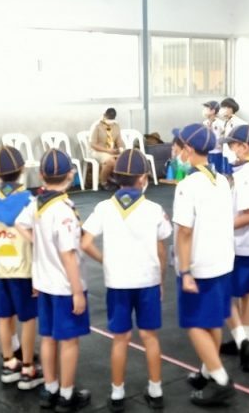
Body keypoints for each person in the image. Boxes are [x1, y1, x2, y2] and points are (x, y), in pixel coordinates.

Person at [81, 149, 171, 412]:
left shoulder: (104, 208)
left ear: (116, 176)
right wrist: (161, 280)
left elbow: (85, 243)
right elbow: (161, 249)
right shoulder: (154, 209)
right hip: (148, 282)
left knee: (120, 339)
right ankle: (156, 390)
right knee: (150, 337)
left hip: (118, 283)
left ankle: (117, 393)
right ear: (143, 178)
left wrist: (104, 260)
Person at [15, 150, 92, 411]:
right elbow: (68, 255)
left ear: (42, 175)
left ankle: (50, 389)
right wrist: (77, 291)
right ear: (71, 175)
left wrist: (38, 244)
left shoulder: (37, 203)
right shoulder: (63, 210)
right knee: (69, 341)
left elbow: (19, 224)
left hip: (44, 282)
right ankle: (67, 395)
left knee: (47, 337)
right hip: (64, 286)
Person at [171, 123, 236, 406]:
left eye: (178, 147)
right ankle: (207, 370)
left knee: (194, 323)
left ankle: (221, 379)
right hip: (221, 260)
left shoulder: (188, 186)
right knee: (212, 319)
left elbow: (184, 232)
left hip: (199, 265)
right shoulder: (221, 180)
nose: (176, 152)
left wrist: (185, 271)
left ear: (187, 149)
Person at [0, 146, 42, 391]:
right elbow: (35, 241)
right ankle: (27, 367)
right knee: (28, 319)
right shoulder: (30, 202)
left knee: (4, 317)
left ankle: (9, 363)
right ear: (22, 169)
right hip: (24, 269)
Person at [218, 124, 249, 372]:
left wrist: (219, 227)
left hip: (240, 242)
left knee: (224, 293)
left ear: (244, 147)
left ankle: (242, 341)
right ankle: (246, 337)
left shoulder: (246, 175)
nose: (229, 149)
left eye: (233, 145)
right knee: (247, 292)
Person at [89, 107, 124, 190]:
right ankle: (103, 182)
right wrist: (107, 150)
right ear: (104, 115)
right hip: (97, 151)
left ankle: (119, 181)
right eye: (108, 118)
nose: (110, 121)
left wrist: (121, 149)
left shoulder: (116, 126)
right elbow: (92, 144)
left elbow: (119, 140)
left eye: (112, 119)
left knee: (125, 158)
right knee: (110, 161)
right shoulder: (96, 126)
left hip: (112, 150)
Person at [216, 97, 246, 175]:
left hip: (234, 155)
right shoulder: (226, 122)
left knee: (233, 176)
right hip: (226, 153)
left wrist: (238, 156)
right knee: (226, 175)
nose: (221, 110)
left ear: (230, 109)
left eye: (224, 107)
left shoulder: (238, 122)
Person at [202, 100, 226, 174]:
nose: (204, 110)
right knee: (207, 173)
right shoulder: (205, 123)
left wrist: (220, 145)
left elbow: (224, 138)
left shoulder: (221, 124)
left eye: (207, 108)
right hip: (207, 153)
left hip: (217, 153)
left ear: (213, 111)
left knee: (217, 173)